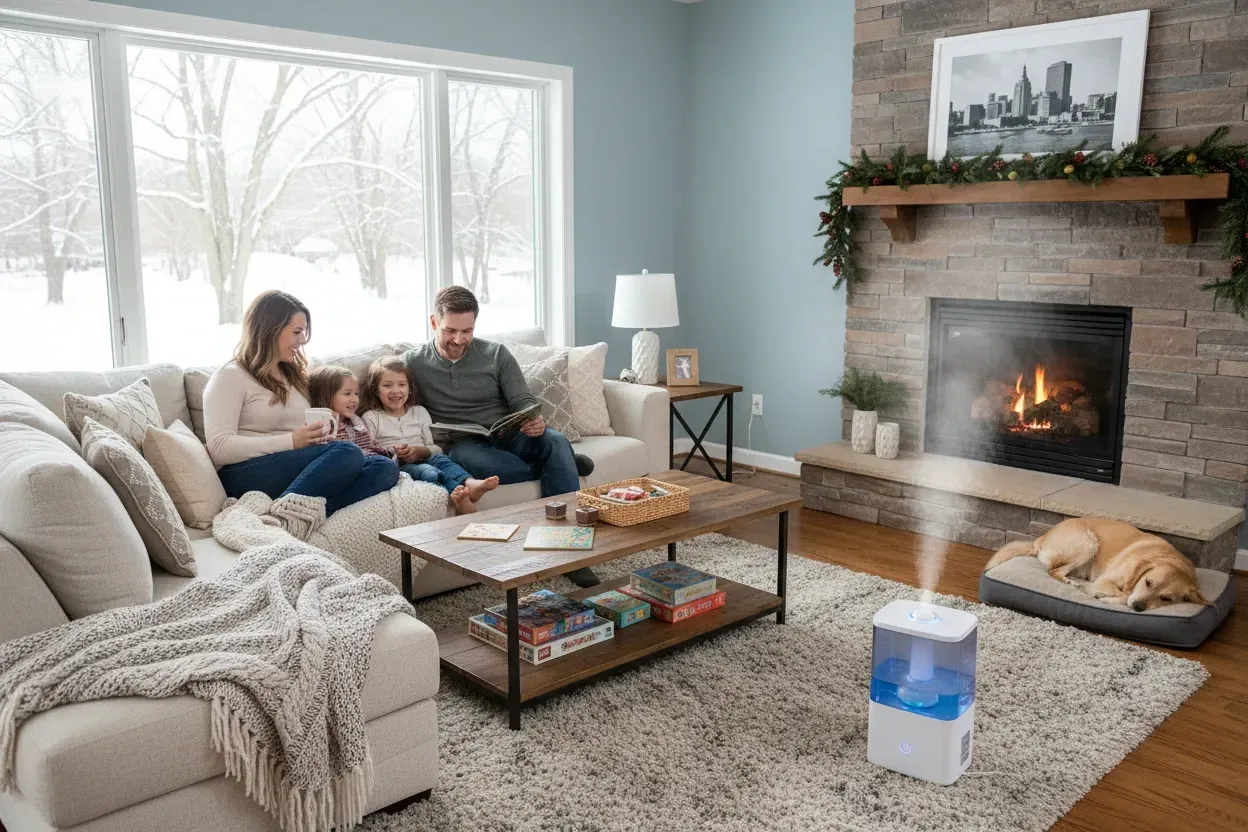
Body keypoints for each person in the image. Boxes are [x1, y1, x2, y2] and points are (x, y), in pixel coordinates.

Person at [402, 285, 599, 587]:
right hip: (465, 443)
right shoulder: (413, 363)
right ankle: (564, 463)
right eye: (450, 330)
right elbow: (395, 403)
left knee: (555, 440)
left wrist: (533, 419)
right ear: (433, 323)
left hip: (509, 431)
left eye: (467, 331)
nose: (459, 340)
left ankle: (568, 550)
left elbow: (522, 400)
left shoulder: (495, 354)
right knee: (467, 459)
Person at [204, 291, 399, 521]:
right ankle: (288, 515)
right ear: (270, 330)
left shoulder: (294, 375)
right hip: (244, 472)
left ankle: (297, 516)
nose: (303, 340)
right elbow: (219, 447)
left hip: (296, 466)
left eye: (304, 332)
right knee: (348, 453)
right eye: (297, 332)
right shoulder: (231, 376)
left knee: (384, 467)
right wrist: (293, 441)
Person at [308, 359, 499, 514]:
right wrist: (395, 453)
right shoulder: (370, 417)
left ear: (409, 388)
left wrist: (420, 451)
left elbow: (434, 447)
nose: (395, 391)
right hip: (400, 464)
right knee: (429, 472)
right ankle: (461, 497)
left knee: (441, 459)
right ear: (376, 390)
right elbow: (373, 451)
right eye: (387, 385)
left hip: (426, 455)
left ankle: (469, 484)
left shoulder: (419, 412)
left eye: (401, 384)